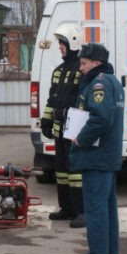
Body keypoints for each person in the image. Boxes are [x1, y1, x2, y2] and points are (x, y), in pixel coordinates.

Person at [70, 43, 124, 254]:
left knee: (94, 207)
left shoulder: (99, 83)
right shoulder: (113, 81)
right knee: (108, 206)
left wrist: (80, 138)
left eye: (84, 63)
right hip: (107, 155)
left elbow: (100, 117)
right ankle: (110, 249)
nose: (81, 68)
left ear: (96, 63)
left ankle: (98, 253)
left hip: (96, 155)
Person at [40, 23, 85, 228]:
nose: (59, 47)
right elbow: (52, 99)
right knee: (61, 171)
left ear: (72, 43)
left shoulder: (81, 69)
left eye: (62, 43)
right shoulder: (59, 71)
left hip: (75, 131)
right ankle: (66, 209)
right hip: (59, 130)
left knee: (76, 173)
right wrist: (46, 120)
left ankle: (81, 211)